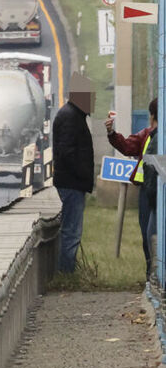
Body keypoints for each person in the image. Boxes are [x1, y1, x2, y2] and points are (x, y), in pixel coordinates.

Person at [106, 98, 158, 276]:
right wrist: (112, 133)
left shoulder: (154, 135)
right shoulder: (146, 135)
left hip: (155, 192)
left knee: (151, 233)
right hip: (147, 191)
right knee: (147, 235)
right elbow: (128, 146)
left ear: (152, 116)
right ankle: (150, 274)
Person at [52, 72, 95, 273]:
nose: (93, 100)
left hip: (72, 182)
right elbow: (67, 152)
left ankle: (67, 270)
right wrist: (83, 174)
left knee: (71, 230)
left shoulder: (72, 114)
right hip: (72, 184)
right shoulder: (71, 117)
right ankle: (66, 273)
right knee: (71, 231)